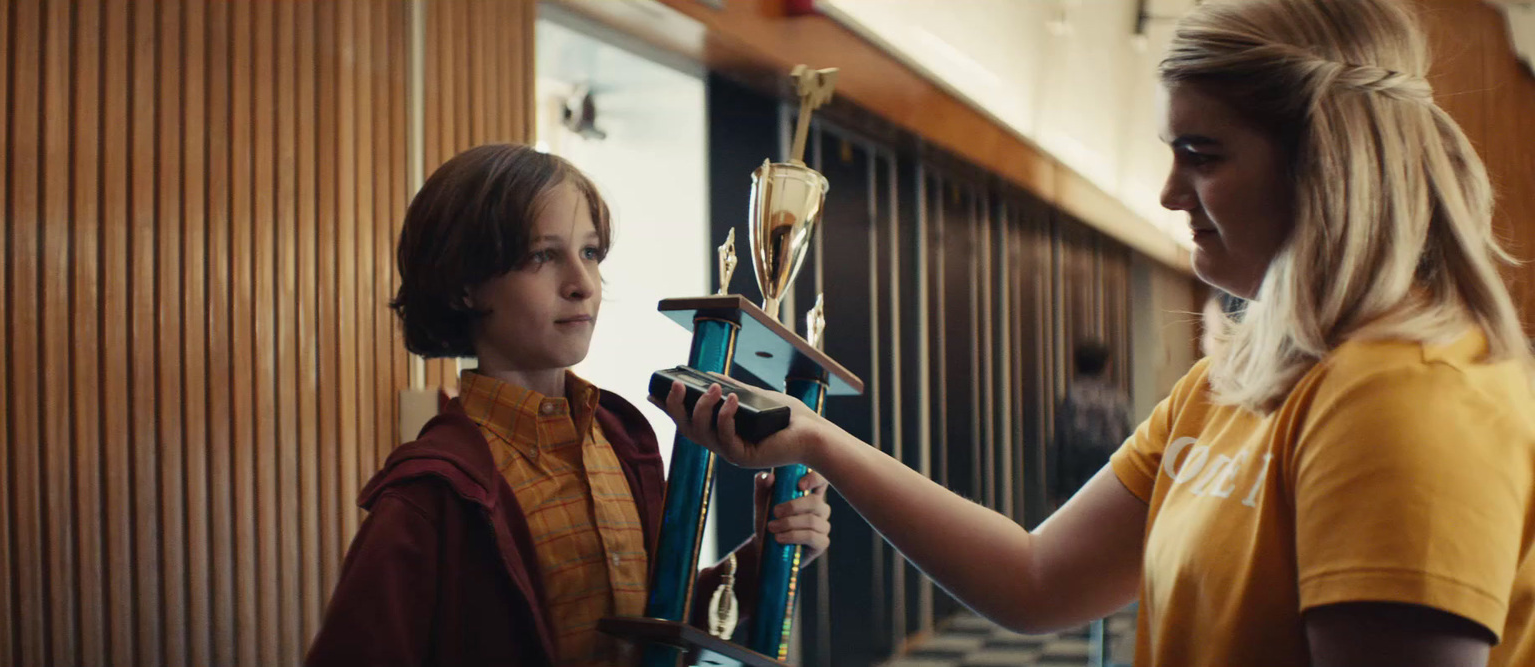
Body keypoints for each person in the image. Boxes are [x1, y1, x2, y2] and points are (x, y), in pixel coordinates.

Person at [651, 1, 1535, 665]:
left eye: (1202, 153)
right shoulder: (1235, 383)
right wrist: (817, 440)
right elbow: (1036, 579)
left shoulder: (1412, 394)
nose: (1168, 192)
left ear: (1328, 161)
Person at [306, 144, 834, 667]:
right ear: (465, 286)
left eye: (590, 253)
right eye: (543, 255)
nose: (583, 285)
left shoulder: (623, 437)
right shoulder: (433, 491)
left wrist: (765, 557)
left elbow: (656, 625)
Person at [1052, 341, 1132, 509]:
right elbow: (1127, 436)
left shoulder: (1072, 396)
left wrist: (1058, 488)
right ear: (1106, 365)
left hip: (1078, 468)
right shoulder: (1116, 396)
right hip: (1111, 466)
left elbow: (1063, 441)